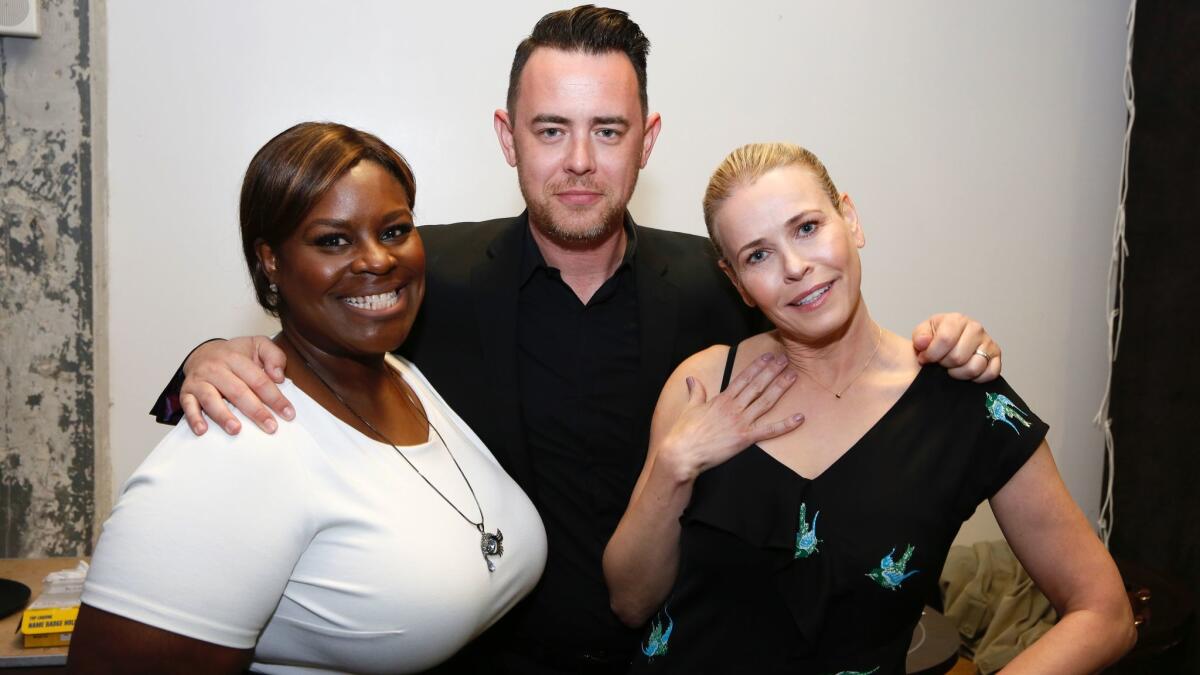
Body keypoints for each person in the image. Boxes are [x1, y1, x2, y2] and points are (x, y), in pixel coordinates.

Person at [156, 7, 1004, 673]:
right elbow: (313, 337)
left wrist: (950, 344)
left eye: (608, 130)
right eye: (550, 129)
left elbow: (833, 332)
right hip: (487, 666)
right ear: (507, 136)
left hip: (681, 659)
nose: (579, 162)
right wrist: (210, 356)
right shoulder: (424, 276)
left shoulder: (723, 285)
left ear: (648, 140)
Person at [603, 143, 1135, 674]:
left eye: (807, 227)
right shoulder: (701, 385)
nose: (795, 267)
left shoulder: (962, 400)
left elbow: (1105, 614)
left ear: (850, 220)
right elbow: (630, 602)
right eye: (757, 255)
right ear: (737, 282)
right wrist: (674, 465)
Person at [68, 123, 547, 674]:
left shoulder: (403, 374)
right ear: (271, 260)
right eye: (332, 241)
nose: (375, 260)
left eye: (394, 231)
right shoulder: (239, 441)